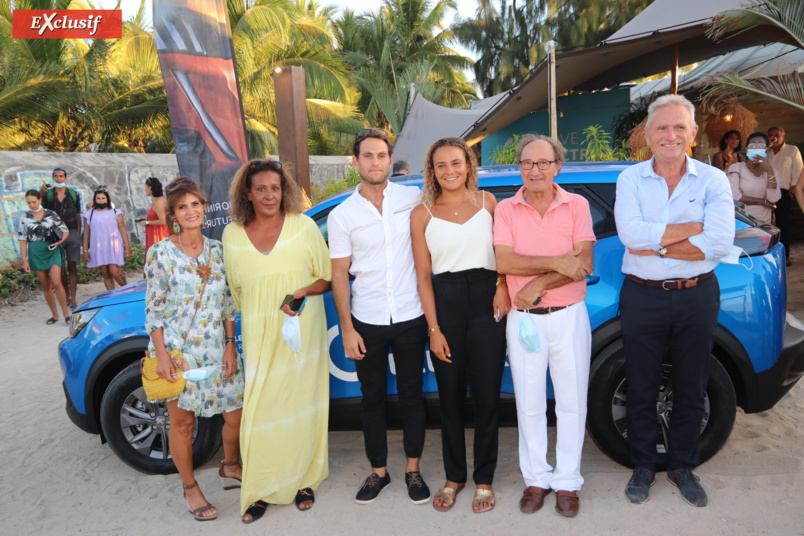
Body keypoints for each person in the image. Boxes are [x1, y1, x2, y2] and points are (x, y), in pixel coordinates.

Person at [614, 95, 734, 508]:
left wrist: (658, 243)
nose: (670, 135)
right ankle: (644, 465)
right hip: (643, 296)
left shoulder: (713, 180)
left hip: (697, 294)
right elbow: (631, 236)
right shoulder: (629, 179)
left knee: (691, 382)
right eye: (661, 128)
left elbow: (718, 240)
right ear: (647, 135)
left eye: (679, 127)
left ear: (693, 134)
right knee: (642, 383)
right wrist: (688, 233)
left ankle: (683, 465)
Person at [223, 159, 332, 523]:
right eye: (261, 189)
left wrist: (303, 289)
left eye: (275, 187)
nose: (270, 195)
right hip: (259, 333)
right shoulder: (232, 234)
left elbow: (327, 279)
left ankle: (304, 481)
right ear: (247, 194)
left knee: (301, 405)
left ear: (284, 190)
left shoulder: (303, 227)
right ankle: (260, 489)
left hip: (300, 330)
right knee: (261, 409)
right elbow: (235, 291)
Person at [493, 134, 596, 518]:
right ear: (519, 167)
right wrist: (556, 263)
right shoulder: (506, 209)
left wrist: (537, 282)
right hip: (525, 322)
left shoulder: (577, 205)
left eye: (543, 163)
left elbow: (583, 262)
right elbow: (504, 261)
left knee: (571, 403)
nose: (534, 170)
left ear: (557, 167)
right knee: (529, 404)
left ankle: (568, 481)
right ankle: (536, 478)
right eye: (527, 163)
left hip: (568, 316)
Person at [328, 128, 431, 506]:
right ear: (355, 162)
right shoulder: (342, 216)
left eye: (382, 155)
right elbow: (340, 274)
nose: (375, 162)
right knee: (371, 399)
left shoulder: (413, 198)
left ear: (390, 159)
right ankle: (378, 473)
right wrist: (348, 329)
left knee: (412, 396)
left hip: (411, 315)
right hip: (367, 319)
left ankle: (412, 469)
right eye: (367, 156)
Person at [410, 137, 509, 514]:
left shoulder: (488, 203)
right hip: (445, 302)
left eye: (456, 163)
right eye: (441, 165)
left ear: (468, 164)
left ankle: (484, 479)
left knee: (486, 397)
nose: (449, 171)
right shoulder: (422, 213)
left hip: (487, 301)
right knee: (449, 399)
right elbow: (422, 276)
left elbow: (503, 254)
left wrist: (501, 285)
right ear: (432, 171)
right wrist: (434, 329)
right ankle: (455, 477)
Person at [145, 176, 244, 522]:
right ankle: (190, 487)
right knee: (183, 423)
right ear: (172, 214)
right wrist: (161, 357)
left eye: (195, 204)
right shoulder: (160, 253)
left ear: (205, 207)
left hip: (218, 350)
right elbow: (154, 311)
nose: (191, 211)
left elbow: (229, 304)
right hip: (178, 353)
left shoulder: (218, 250)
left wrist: (231, 346)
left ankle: (229, 466)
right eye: (182, 207)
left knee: (235, 414)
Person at [18, 189, 71, 325]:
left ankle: (66, 314)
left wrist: (58, 242)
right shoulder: (24, 217)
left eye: (34, 202)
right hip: (36, 251)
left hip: (52, 249)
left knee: (56, 282)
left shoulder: (50, 214)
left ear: (40, 200)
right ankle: (55, 315)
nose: (32, 205)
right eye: (29, 202)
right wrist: (24, 261)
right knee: (46, 286)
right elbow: (23, 240)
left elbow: (65, 230)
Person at [39, 167, 81, 310]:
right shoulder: (48, 194)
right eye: (56, 176)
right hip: (55, 234)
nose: (58, 179)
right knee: (61, 267)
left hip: (72, 232)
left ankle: (74, 298)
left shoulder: (74, 194)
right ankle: (67, 295)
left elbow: (78, 214)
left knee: (73, 266)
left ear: (65, 178)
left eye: (61, 176)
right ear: (53, 177)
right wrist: (41, 191)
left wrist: (78, 233)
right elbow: (39, 208)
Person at [766, 126, 803, 266]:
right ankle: (769, 256)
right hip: (765, 193)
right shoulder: (765, 152)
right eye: (771, 135)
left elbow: (799, 171)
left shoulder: (792, 150)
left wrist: (792, 192)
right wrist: (766, 148)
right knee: (766, 225)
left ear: (783, 137)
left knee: (783, 225)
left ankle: (784, 256)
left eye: (777, 135)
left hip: (784, 192)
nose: (774, 137)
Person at [82, 187, 132, 290]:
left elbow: (122, 230)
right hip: (98, 247)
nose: (101, 200)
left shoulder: (116, 213)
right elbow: (86, 233)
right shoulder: (89, 214)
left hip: (114, 246)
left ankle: (127, 291)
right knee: (105, 274)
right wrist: (85, 250)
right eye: (98, 198)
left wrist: (127, 247)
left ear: (107, 199)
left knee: (115, 272)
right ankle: (111, 297)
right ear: (95, 200)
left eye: (103, 198)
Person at [726, 132, 781, 224]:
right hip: (740, 222)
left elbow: (773, 199)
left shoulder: (774, 173)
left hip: (764, 224)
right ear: (747, 150)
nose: (756, 149)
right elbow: (735, 197)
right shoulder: (736, 168)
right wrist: (764, 202)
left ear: (766, 150)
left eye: (761, 146)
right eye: (752, 146)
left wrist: (770, 170)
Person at [138, 177, 170, 257]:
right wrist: (147, 220)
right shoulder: (157, 201)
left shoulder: (159, 202)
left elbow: (163, 220)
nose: (145, 189)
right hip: (155, 233)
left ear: (150, 188)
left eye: (146, 187)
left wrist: (147, 222)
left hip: (158, 235)